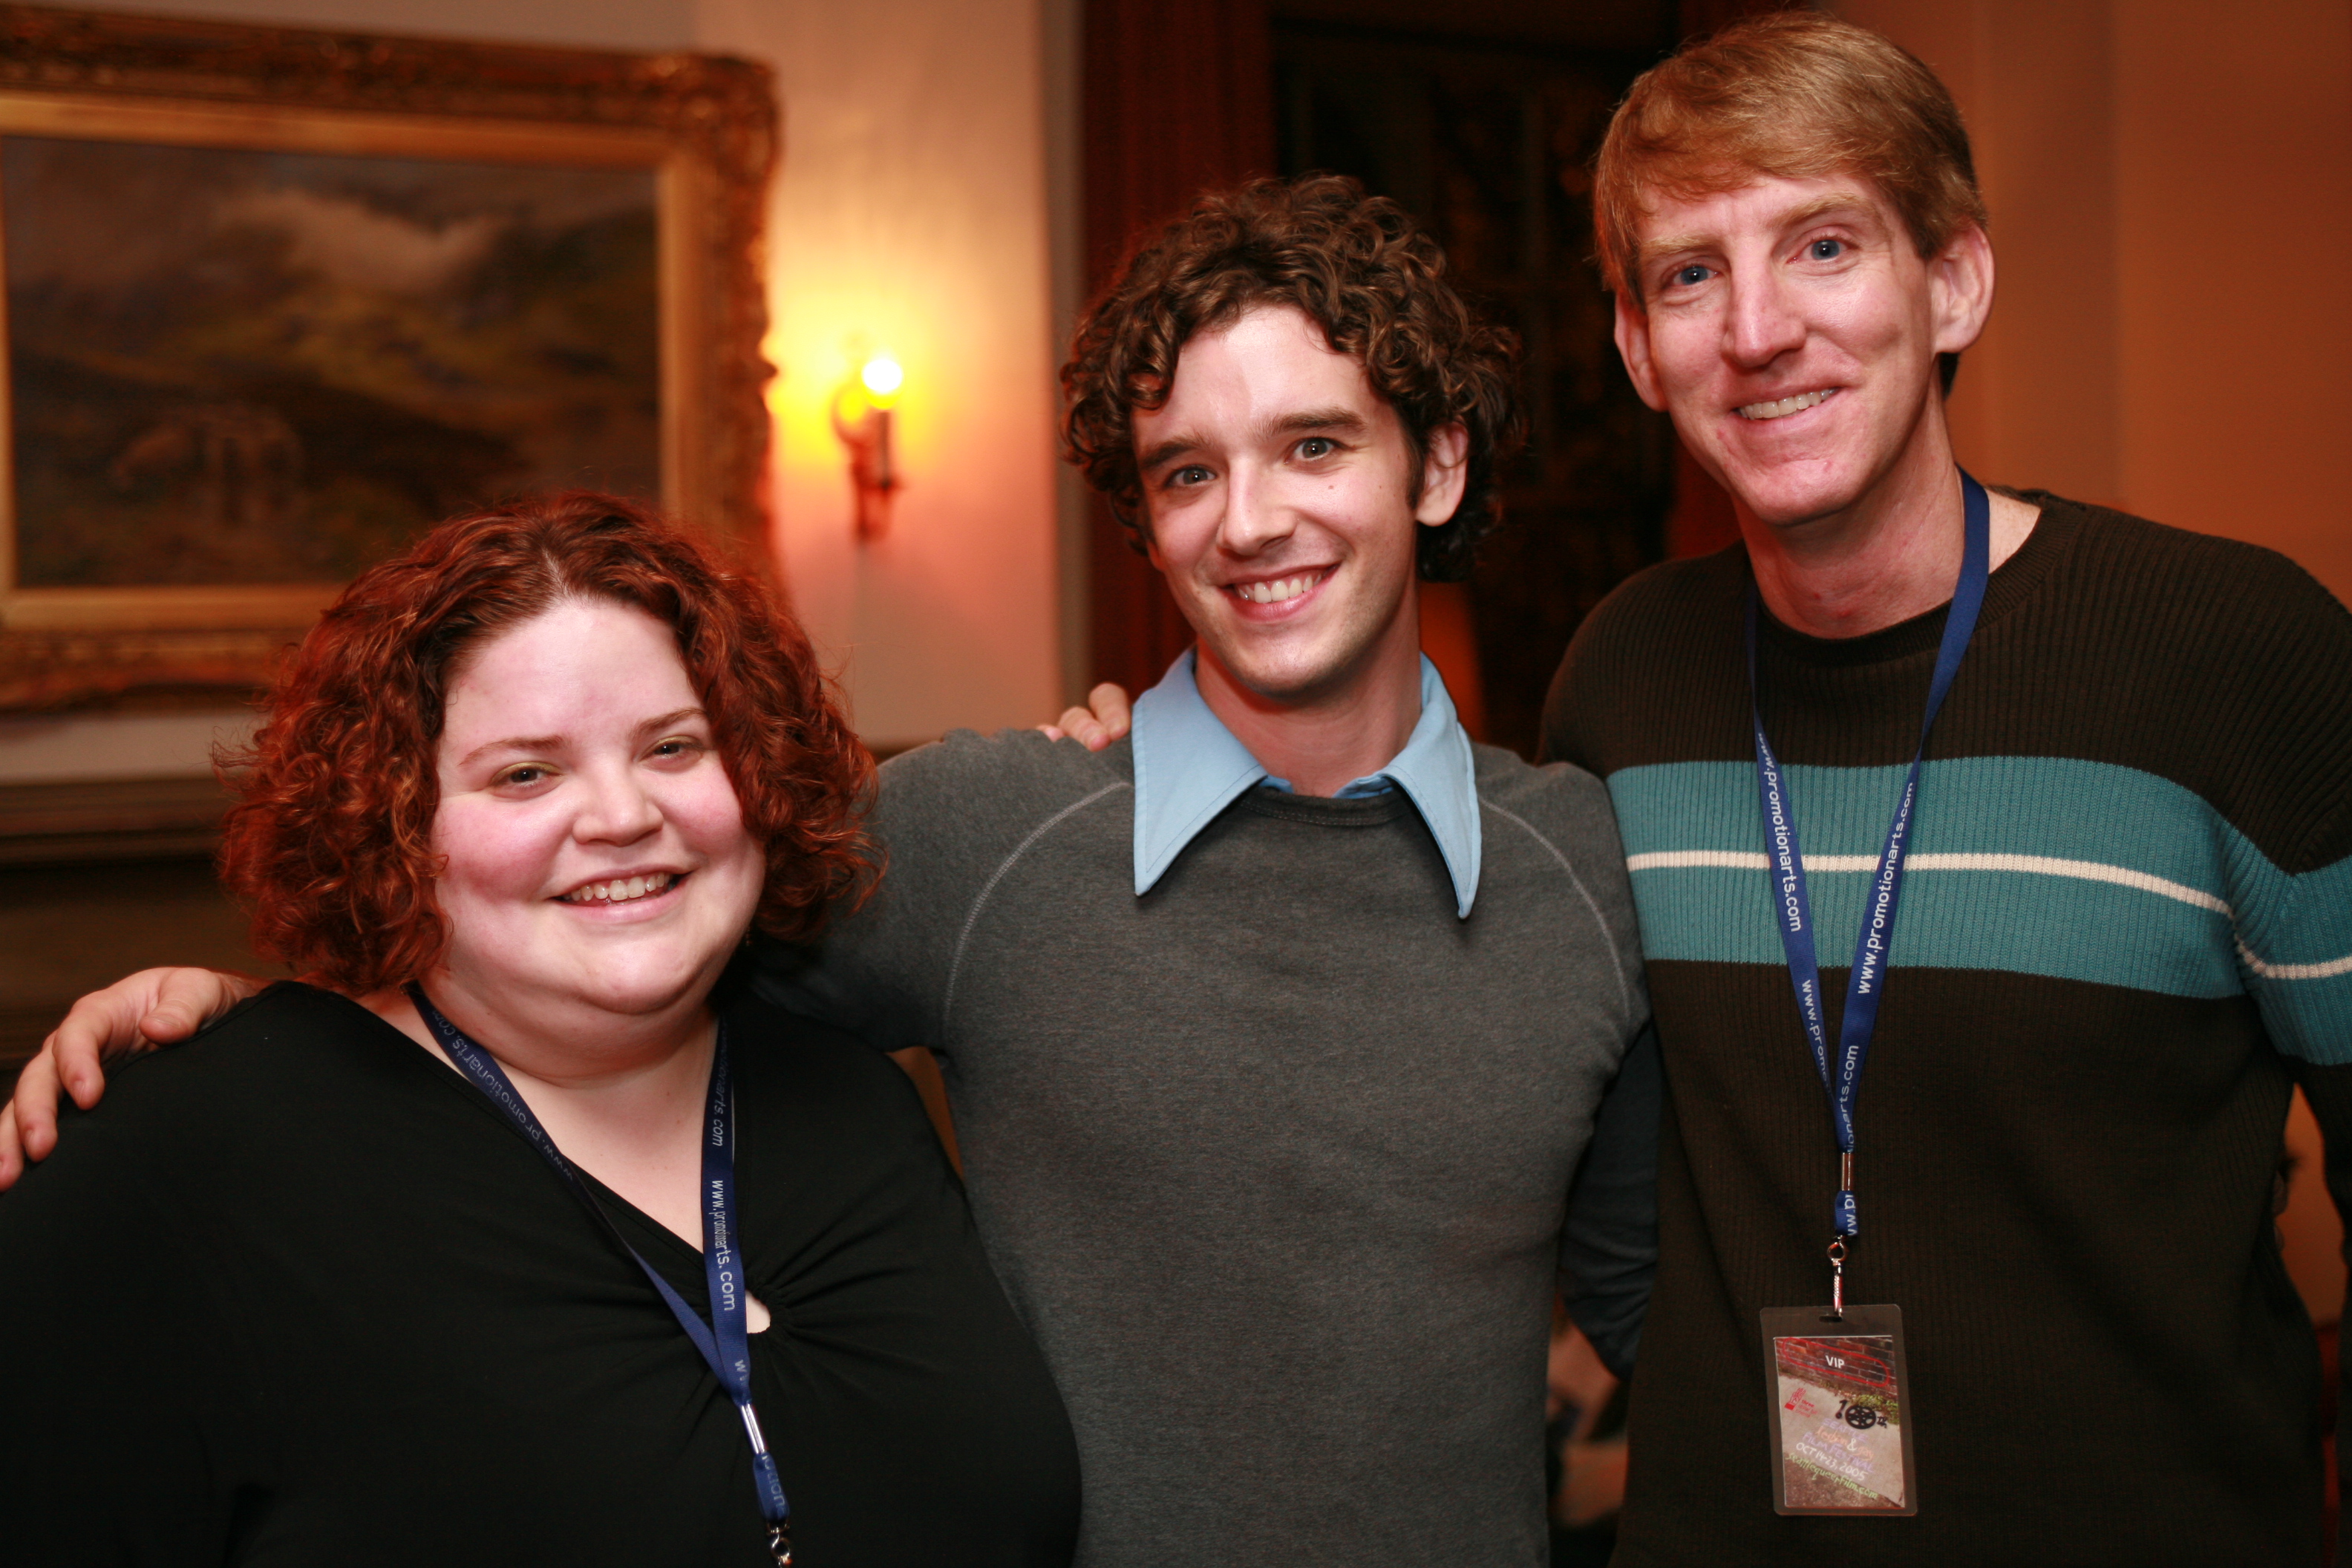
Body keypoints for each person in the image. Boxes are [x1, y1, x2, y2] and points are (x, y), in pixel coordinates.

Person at [3, 177, 1658, 1567]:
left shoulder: (1588, 867)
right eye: (1187, 473)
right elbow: (595, 954)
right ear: (1145, 521)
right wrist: (278, 1014)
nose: (1251, 521)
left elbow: (1670, 1305)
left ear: (1434, 469)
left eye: (1315, 447)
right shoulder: (988, 832)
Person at [1015, 13, 2352, 1561]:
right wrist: (1148, 763)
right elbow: (1489, 1036)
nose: (1758, 330)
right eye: (1689, 275)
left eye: (1825, 245)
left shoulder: (2236, 653)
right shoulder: (1625, 681)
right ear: (1640, 349)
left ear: (1955, 281)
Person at [0, 494, 1081, 1566]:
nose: (619, 816)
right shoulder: (176, 1165)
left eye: (673, 748)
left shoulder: (852, 1099)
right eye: (526, 773)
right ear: (394, 824)